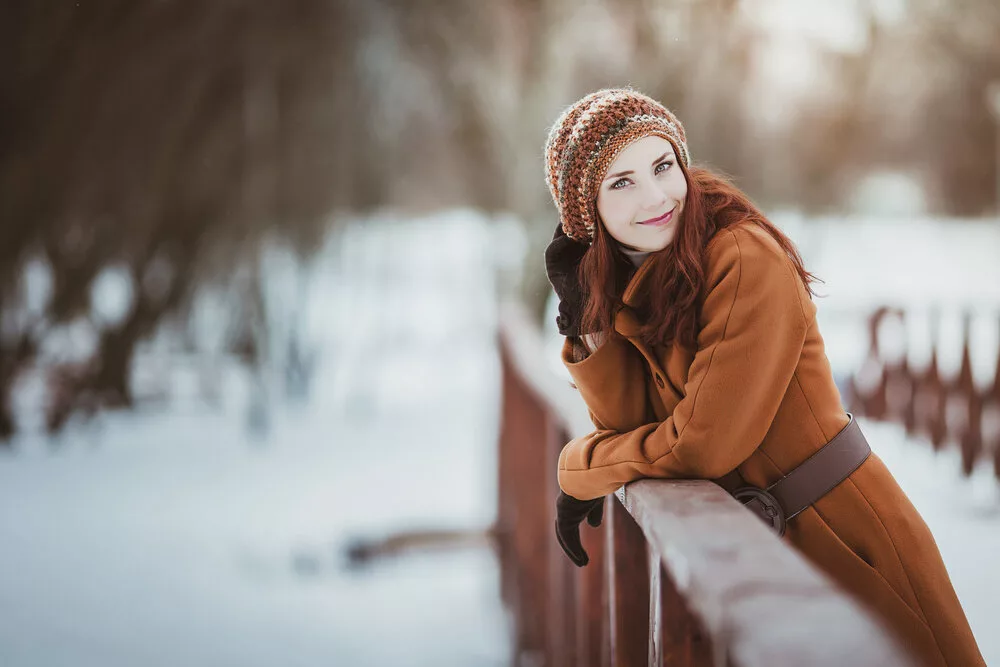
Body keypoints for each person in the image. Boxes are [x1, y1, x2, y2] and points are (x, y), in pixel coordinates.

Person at [542, 88, 985, 667]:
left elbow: (702, 445)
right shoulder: (645, 280)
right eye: (620, 183)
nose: (655, 197)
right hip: (759, 555)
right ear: (586, 217)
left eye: (662, 166)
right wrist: (589, 320)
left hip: (844, 537)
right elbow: (635, 424)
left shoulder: (741, 256)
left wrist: (579, 469)